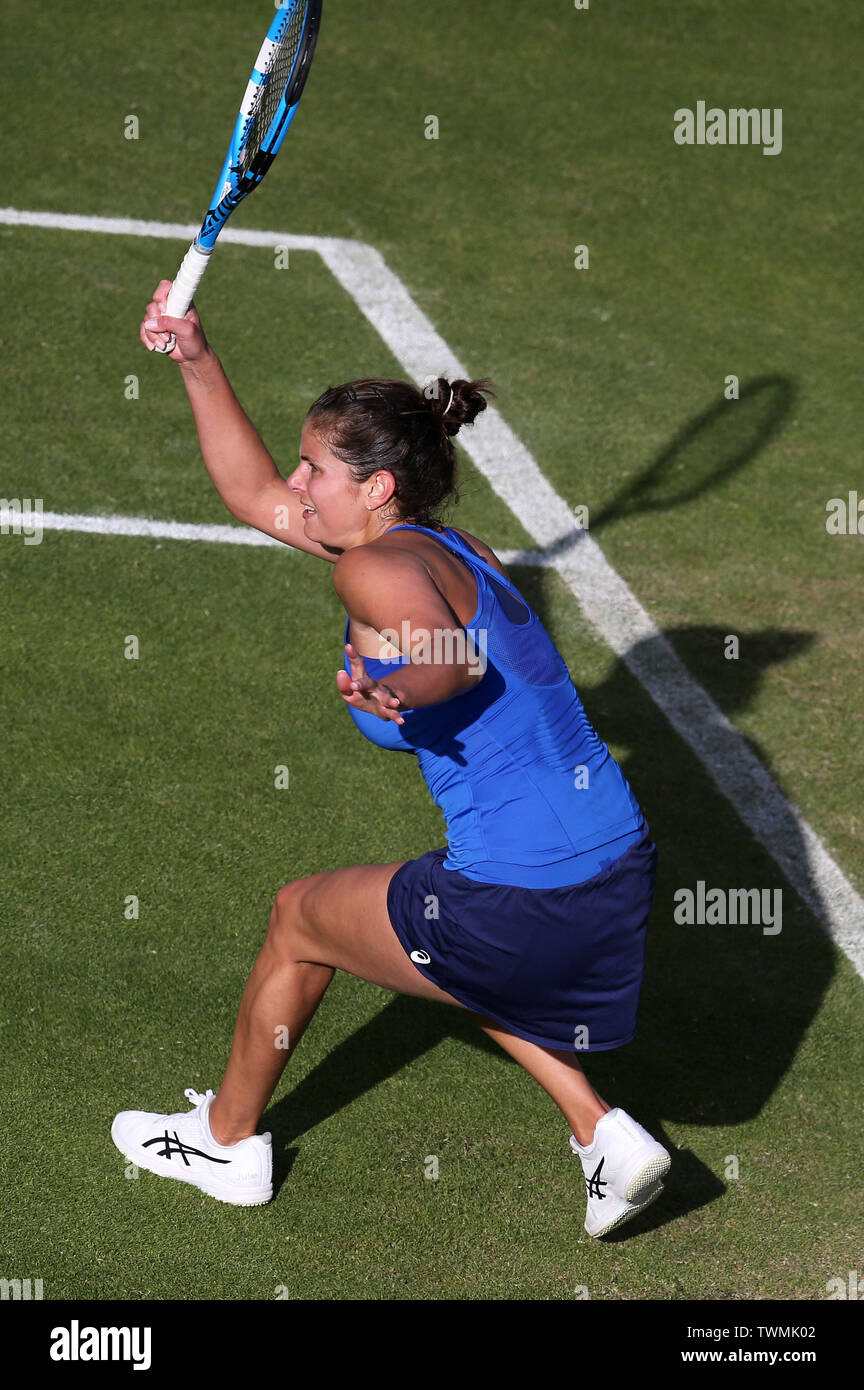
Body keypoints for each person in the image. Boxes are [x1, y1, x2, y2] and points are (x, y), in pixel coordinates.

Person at [111, 284, 671, 1239]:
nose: (296, 483)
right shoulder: (458, 549)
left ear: (375, 489)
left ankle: (226, 1143)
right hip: (617, 873)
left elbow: (456, 664)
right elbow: (253, 497)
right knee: (437, 942)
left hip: (521, 898)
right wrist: (195, 360)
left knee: (301, 917)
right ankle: (603, 1133)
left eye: (314, 467)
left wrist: (400, 689)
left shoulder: (367, 567)